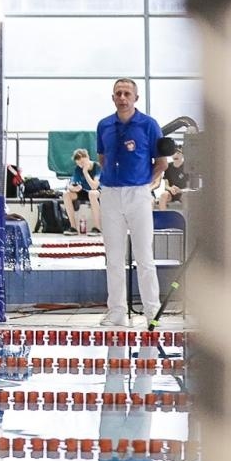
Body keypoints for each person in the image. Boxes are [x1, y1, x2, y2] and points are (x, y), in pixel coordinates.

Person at [96, 78, 166, 328]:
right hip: (111, 194)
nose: (122, 97)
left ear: (136, 98)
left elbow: (161, 162)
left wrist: (149, 184)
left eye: (127, 93)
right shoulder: (104, 125)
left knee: (144, 255)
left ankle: (152, 311)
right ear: (112, 97)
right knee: (113, 257)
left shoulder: (149, 125)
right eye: (118, 93)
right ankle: (116, 311)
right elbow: (102, 157)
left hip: (138, 193)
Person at [66, 148, 102, 235]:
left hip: (98, 191)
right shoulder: (78, 169)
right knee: (66, 194)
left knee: (92, 194)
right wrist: (73, 188)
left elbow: (94, 186)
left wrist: (85, 172)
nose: (81, 166)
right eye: (79, 164)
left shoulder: (97, 167)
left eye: (82, 163)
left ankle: (97, 228)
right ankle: (73, 227)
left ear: (87, 157)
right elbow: (70, 184)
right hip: (84, 191)